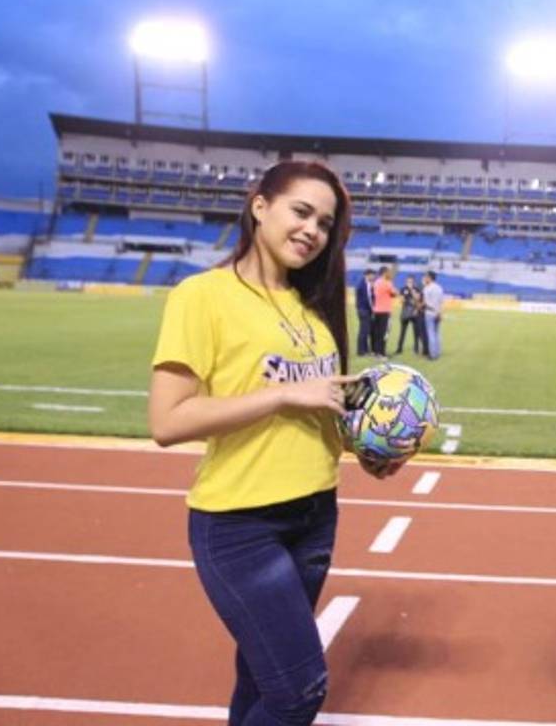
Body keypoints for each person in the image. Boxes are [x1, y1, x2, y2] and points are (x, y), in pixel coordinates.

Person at [147, 161, 418, 726]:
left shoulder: (313, 309)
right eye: (301, 211)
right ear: (260, 205)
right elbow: (167, 421)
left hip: (315, 517)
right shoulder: (204, 296)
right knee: (300, 689)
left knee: (260, 678)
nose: (312, 231)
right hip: (241, 525)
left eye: (325, 223)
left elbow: (321, 411)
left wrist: (366, 450)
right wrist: (282, 395)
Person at [370, 265, 397, 357]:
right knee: (384, 332)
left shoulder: (376, 282)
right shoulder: (387, 283)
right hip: (385, 311)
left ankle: (376, 351)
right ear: (385, 273)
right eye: (388, 272)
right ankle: (381, 353)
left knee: (377, 332)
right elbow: (395, 293)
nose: (390, 273)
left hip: (377, 310)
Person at [394, 275, 423, 355]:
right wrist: (404, 298)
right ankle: (399, 348)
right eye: (408, 281)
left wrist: (412, 291)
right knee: (402, 332)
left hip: (414, 313)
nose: (410, 283)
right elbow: (401, 300)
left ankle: (416, 349)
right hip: (405, 312)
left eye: (411, 281)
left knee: (416, 332)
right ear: (406, 281)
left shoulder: (417, 289)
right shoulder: (403, 289)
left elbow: (418, 299)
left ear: (414, 281)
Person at [421, 270, 444, 359]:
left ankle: (432, 354)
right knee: (437, 333)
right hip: (437, 312)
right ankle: (437, 352)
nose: (425, 278)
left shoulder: (427, 288)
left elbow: (426, 303)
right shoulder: (439, 288)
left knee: (431, 334)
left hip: (430, 312)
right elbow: (441, 302)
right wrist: (440, 312)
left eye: (426, 277)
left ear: (429, 278)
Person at [354, 268, 375, 357]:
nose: (373, 276)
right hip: (364, 310)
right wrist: (373, 309)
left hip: (365, 310)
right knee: (364, 331)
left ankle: (365, 350)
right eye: (372, 275)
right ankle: (361, 351)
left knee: (366, 330)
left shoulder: (368, 284)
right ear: (367, 275)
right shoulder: (363, 285)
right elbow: (368, 299)